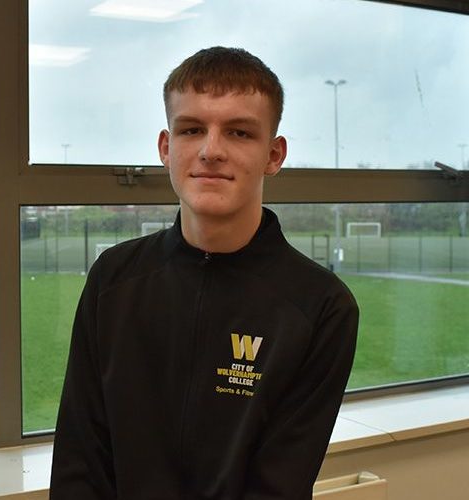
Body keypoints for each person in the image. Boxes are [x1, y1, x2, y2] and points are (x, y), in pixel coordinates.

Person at [50, 46, 359, 500]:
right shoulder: (112, 280)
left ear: (274, 155)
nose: (211, 151)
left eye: (238, 132)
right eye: (192, 129)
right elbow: (80, 459)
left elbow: (279, 486)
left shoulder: (321, 308)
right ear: (165, 147)